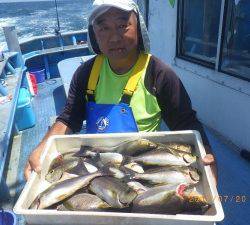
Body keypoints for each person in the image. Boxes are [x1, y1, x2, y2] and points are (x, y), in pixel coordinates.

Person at [25, 0, 217, 183]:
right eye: (103, 27)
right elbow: (69, 117)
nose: (114, 37)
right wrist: (43, 147)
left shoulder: (159, 74)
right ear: (94, 34)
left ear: (139, 29)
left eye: (122, 25)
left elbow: (185, 123)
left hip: (143, 166)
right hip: (95, 165)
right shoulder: (86, 73)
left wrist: (206, 153)